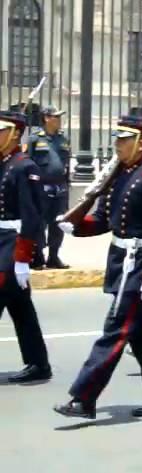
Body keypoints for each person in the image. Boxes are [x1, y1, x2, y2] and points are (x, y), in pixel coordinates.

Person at [53, 114, 142, 419]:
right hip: (122, 261)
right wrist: (79, 227)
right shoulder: (120, 175)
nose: (118, 145)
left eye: (125, 140)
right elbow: (105, 219)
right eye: (118, 140)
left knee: (116, 329)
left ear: (141, 143)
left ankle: (84, 397)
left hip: (139, 266)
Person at [0, 109, 51, 383]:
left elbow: (33, 215)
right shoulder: (3, 163)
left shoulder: (24, 166)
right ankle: (38, 363)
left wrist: (22, 258)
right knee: (21, 307)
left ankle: (38, 363)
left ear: (14, 134)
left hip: (12, 243)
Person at [26, 106, 70, 270]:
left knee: (58, 223)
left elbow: (66, 163)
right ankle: (37, 257)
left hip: (60, 187)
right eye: (55, 117)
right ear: (46, 118)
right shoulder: (35, 138)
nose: (59, 120)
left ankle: (54, 257)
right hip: (41, 187)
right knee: (39, 224)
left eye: (59, 117)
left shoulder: (63, 138)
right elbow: (27, 163)